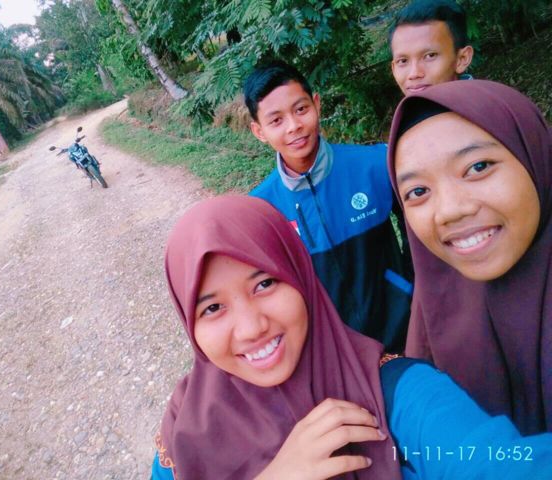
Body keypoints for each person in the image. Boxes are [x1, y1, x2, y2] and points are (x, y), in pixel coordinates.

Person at [151, 195, 552, 479]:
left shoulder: (394, 394)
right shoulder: (184, 424)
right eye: (212, 308)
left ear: (301, 277)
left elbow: (494, 463)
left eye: (265, 283)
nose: (251, 328)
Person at [387, 79, 552, 435]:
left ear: (534, 155)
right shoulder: (433, 310)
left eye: (478, 167)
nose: (450, 210)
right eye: (418, 191)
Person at [245, 60, 412, 353]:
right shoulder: (261, 209)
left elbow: (419, 232)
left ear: (317, 104)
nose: (294, 126)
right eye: (276, 121)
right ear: (259, 131)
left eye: (301, 109)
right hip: (332, 352)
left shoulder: (375, 165)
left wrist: (412, 289)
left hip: (405, 330)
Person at [389, 0, 474, 96]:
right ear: (394, 69)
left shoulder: (484, 103)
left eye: (430, 56)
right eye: (403, 61)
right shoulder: (415, 105)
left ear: (462, 59)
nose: (414, 74)